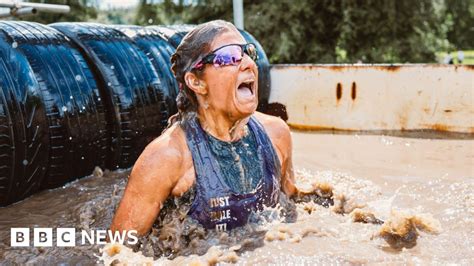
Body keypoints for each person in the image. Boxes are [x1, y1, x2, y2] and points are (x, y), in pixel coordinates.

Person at [110, 20, 297, 236]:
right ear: (196, 82)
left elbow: (292, 207)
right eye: (229, 57)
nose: (247, 63)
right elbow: (118, 249)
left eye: (249, 52)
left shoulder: (276, 134)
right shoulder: (166, 158)